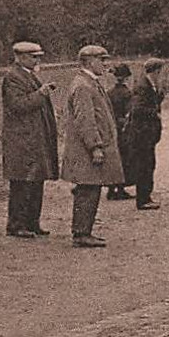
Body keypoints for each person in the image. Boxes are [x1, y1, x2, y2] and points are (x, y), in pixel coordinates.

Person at [61, 44, 126, 248]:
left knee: (91, 188)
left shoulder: (90, 83)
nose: (106, 65)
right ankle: (81, 233)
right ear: (89, 62)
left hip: (88, 148)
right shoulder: (83, 85)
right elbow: (85, 120)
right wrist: (95, 146)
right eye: (102, 60)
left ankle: (84, 231)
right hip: (86, 150)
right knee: (87, 189)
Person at [1, 41, 59, 238]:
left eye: (38, 56)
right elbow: (17, 105)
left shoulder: (28, 76)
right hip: (22, 139)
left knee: (35, 181)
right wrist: (41, 93)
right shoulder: (12, 77)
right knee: (22, 182)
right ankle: (17, 225)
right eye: (34, 57)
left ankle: (32, 222)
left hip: (33, 138)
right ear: (21, 57)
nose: (37, 60)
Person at [125, 58, 165, 210]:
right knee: (145, 166)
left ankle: (146, 196)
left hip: (148, 134)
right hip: (142, 135)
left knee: (149, 164)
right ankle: (143, 199)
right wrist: (155, 113)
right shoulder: (143, 86)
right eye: (159, 71)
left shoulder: (150, 85)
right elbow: (138, 109)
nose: (160, 75)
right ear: (155, 71)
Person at [105, 63, 134, 201]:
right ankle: (121, 188)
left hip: (111, 127)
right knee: (125, 157)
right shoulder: (127, 93)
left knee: (113, 157)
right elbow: (129, 113)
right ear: (126, 78)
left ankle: (111, 189)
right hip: (123, 128)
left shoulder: (109, 93)